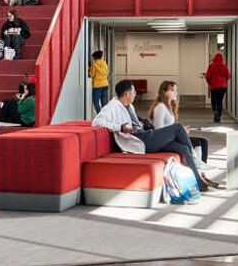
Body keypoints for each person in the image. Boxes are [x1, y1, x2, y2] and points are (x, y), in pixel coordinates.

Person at [91, 79, 222, 193]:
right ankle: (196, 160)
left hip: (145, 135)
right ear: (127, 94)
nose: (135, 94)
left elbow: (135, 122)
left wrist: (140, 123)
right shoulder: (112, 107)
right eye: (134, 92)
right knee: (178, 129)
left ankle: (198, 181)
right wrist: (120, 128)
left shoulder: (128, 106)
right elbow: (96, 122)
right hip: (140, 140)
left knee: (183, 148)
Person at [149, 80, 210, 166]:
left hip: (170, 137)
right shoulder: (161, 107)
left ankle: (200, 165)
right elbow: (159, 130)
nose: (176, 93)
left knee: (203, 142)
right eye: (172, 90)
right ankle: (197, 164)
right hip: (165, 141)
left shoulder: (169, 107)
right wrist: (177, 133)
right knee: (197, 143)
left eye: (176, 90)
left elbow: (170, 127)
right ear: (164, 92)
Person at [204, 52, 230, 123]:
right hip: (222, 87)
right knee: (219, 101)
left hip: (214, 87)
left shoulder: (211, 66)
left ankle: (215, 110)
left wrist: (210, 83)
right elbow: (228, 76)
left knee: (214, 100)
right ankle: (219, 115)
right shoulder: (224, 66)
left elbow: (207, 76)